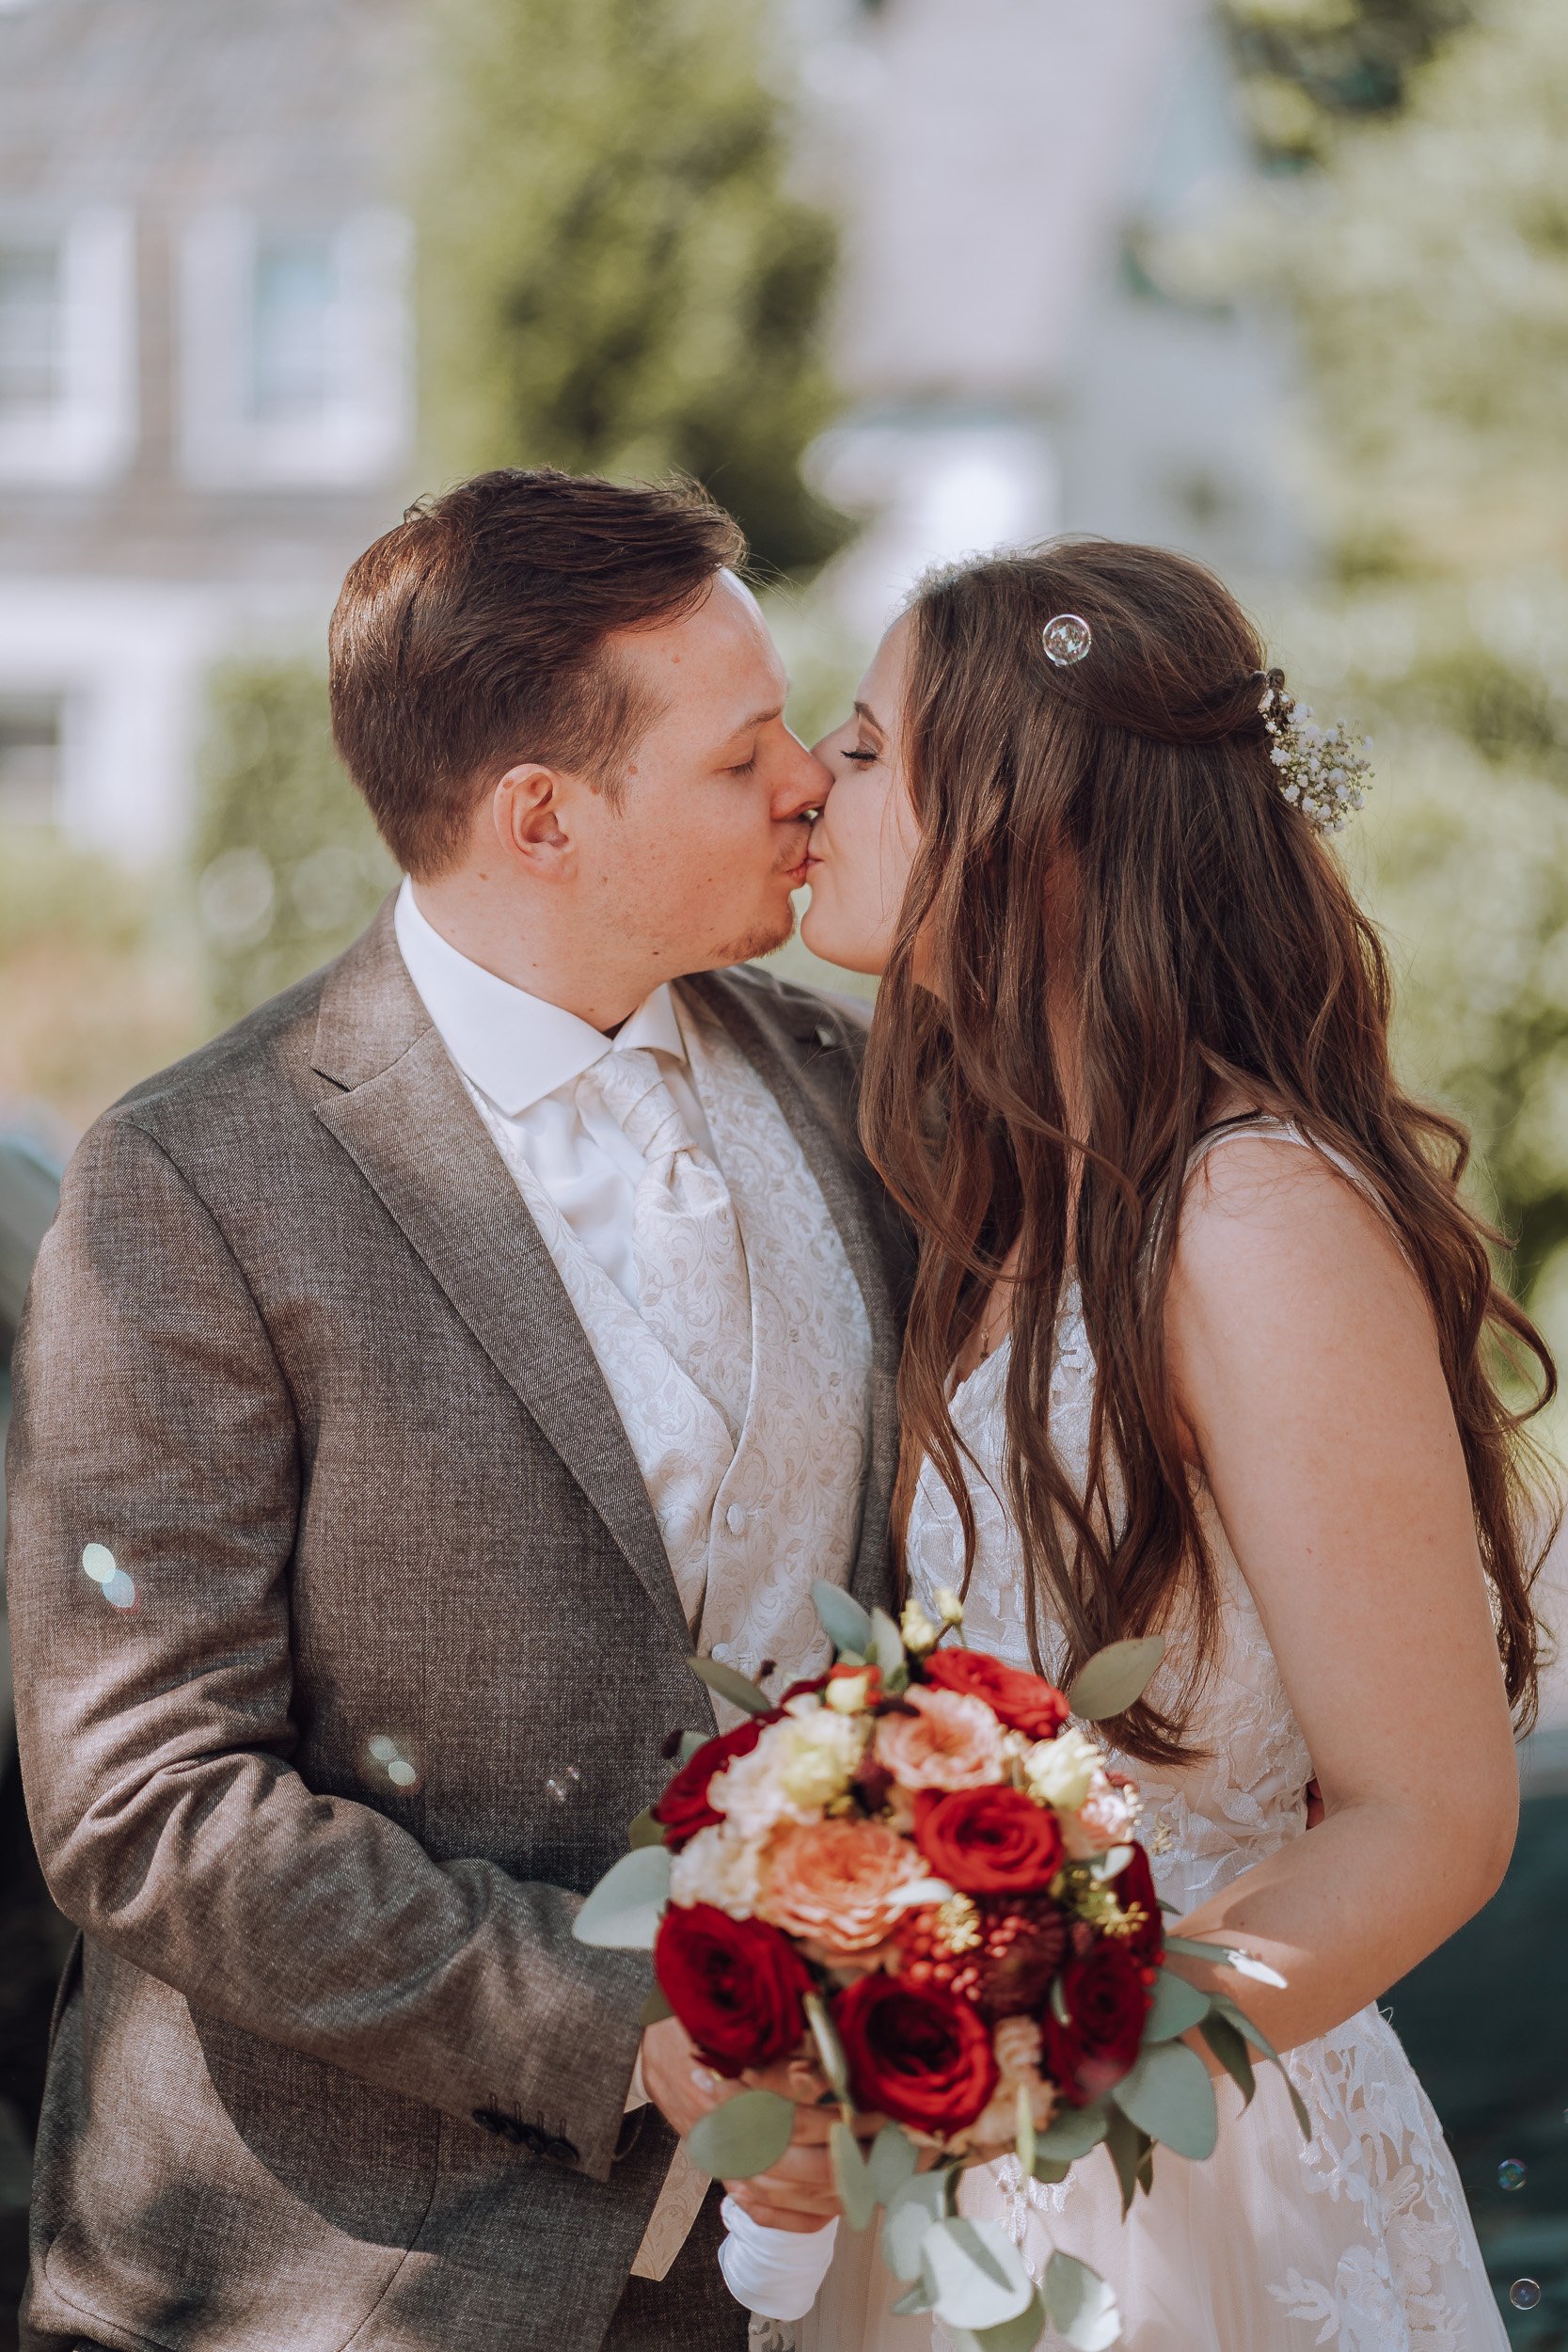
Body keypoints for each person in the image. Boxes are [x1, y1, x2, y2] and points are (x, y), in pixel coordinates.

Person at [5, 468, 911, 2352]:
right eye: (741, 755)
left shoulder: (856, 1089)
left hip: (808, 2262)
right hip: (346, 2284)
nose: (809, 783)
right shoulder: (198, 1179)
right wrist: (629, 2025)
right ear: (542, 817)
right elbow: (145, 1795)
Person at [794, 538, 1551, 2350]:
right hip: (957, 2166)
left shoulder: (1255, 1217)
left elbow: (1433, 1816)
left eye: (869, 747)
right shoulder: (1014, 1204)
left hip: (1188, 2173)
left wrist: (1053, 2067)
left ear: (1039, 825)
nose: (811, 784)